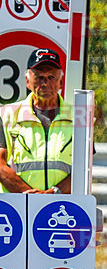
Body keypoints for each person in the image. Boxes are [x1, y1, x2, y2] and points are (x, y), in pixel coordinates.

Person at [0, 48, 72, 194]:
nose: (45, 83)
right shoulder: (6, 114)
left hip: (63, 204)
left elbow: (85, 167)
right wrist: (30, 196)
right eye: (39, 77)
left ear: (61, 82)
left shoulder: (78, 117)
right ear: (28, 81)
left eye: (51, 77)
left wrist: (52, 193)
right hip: (16, 208)